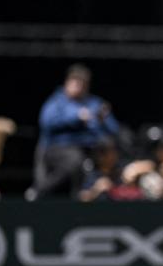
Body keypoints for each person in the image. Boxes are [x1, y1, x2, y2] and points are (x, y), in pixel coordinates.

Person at [30, 64, 120, 198]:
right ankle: (40, 191)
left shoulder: (94, 103)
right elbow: (46, 123)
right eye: (76, 83)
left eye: (83, 84)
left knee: (112, 151)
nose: (79, 87)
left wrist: (103, 119)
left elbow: (114, 129)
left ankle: (114, 191)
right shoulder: (57, 102)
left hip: (92, 149)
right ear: (67, 83)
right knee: (75, 160)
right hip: (58, 148)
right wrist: (76, 118)